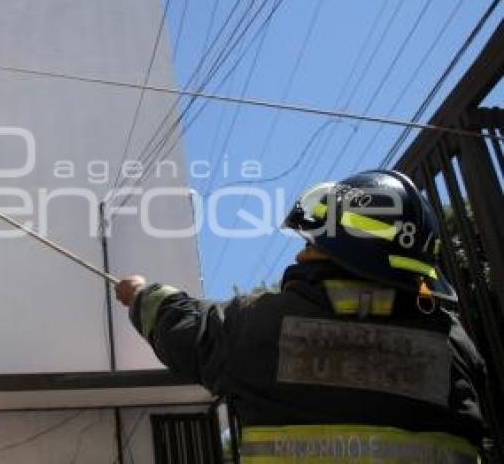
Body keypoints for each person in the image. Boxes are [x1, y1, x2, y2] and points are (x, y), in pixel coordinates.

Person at [116, 170, 486, 463]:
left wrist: (140, 293)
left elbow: (187, 329)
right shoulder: (454, 347)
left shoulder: (263, 328)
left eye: (310, 243)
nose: (300, 255)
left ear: (330, 250)